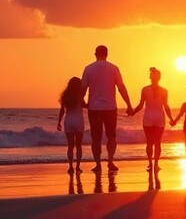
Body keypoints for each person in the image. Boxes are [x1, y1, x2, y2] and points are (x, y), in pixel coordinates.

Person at [81, 45, 132, 173]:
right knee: (111, 136)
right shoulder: (114, 68)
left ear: (95, 54)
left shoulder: (89, 68)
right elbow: (121, 88)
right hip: (110, 108)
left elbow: (82, 89)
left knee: (96, 138)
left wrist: (82, 102)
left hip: (94, 108)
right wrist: (129, 104)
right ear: (107, 54)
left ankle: (98, 164)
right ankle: (110, 161)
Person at [129, 67, 173, 172]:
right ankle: (156, 164)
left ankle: (150, 163)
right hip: (159, 117)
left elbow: (140, 105)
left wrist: (132, 113)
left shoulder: (145, 89)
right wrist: (171, 119)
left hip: (149, 117)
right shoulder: (164, 90)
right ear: (159, 78)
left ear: (150, 77)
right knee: (157, 142)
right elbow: (166, 106)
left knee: (150, 142)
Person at [56, 77, 87, 173]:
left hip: (69, 122)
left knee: (70, 146)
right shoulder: (79, 96)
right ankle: (78, 166)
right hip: (78, 121)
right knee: (78, 146)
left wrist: (59, 122)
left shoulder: (65, 96)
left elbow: (62, 111)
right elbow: (85, 105)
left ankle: (70, 167)